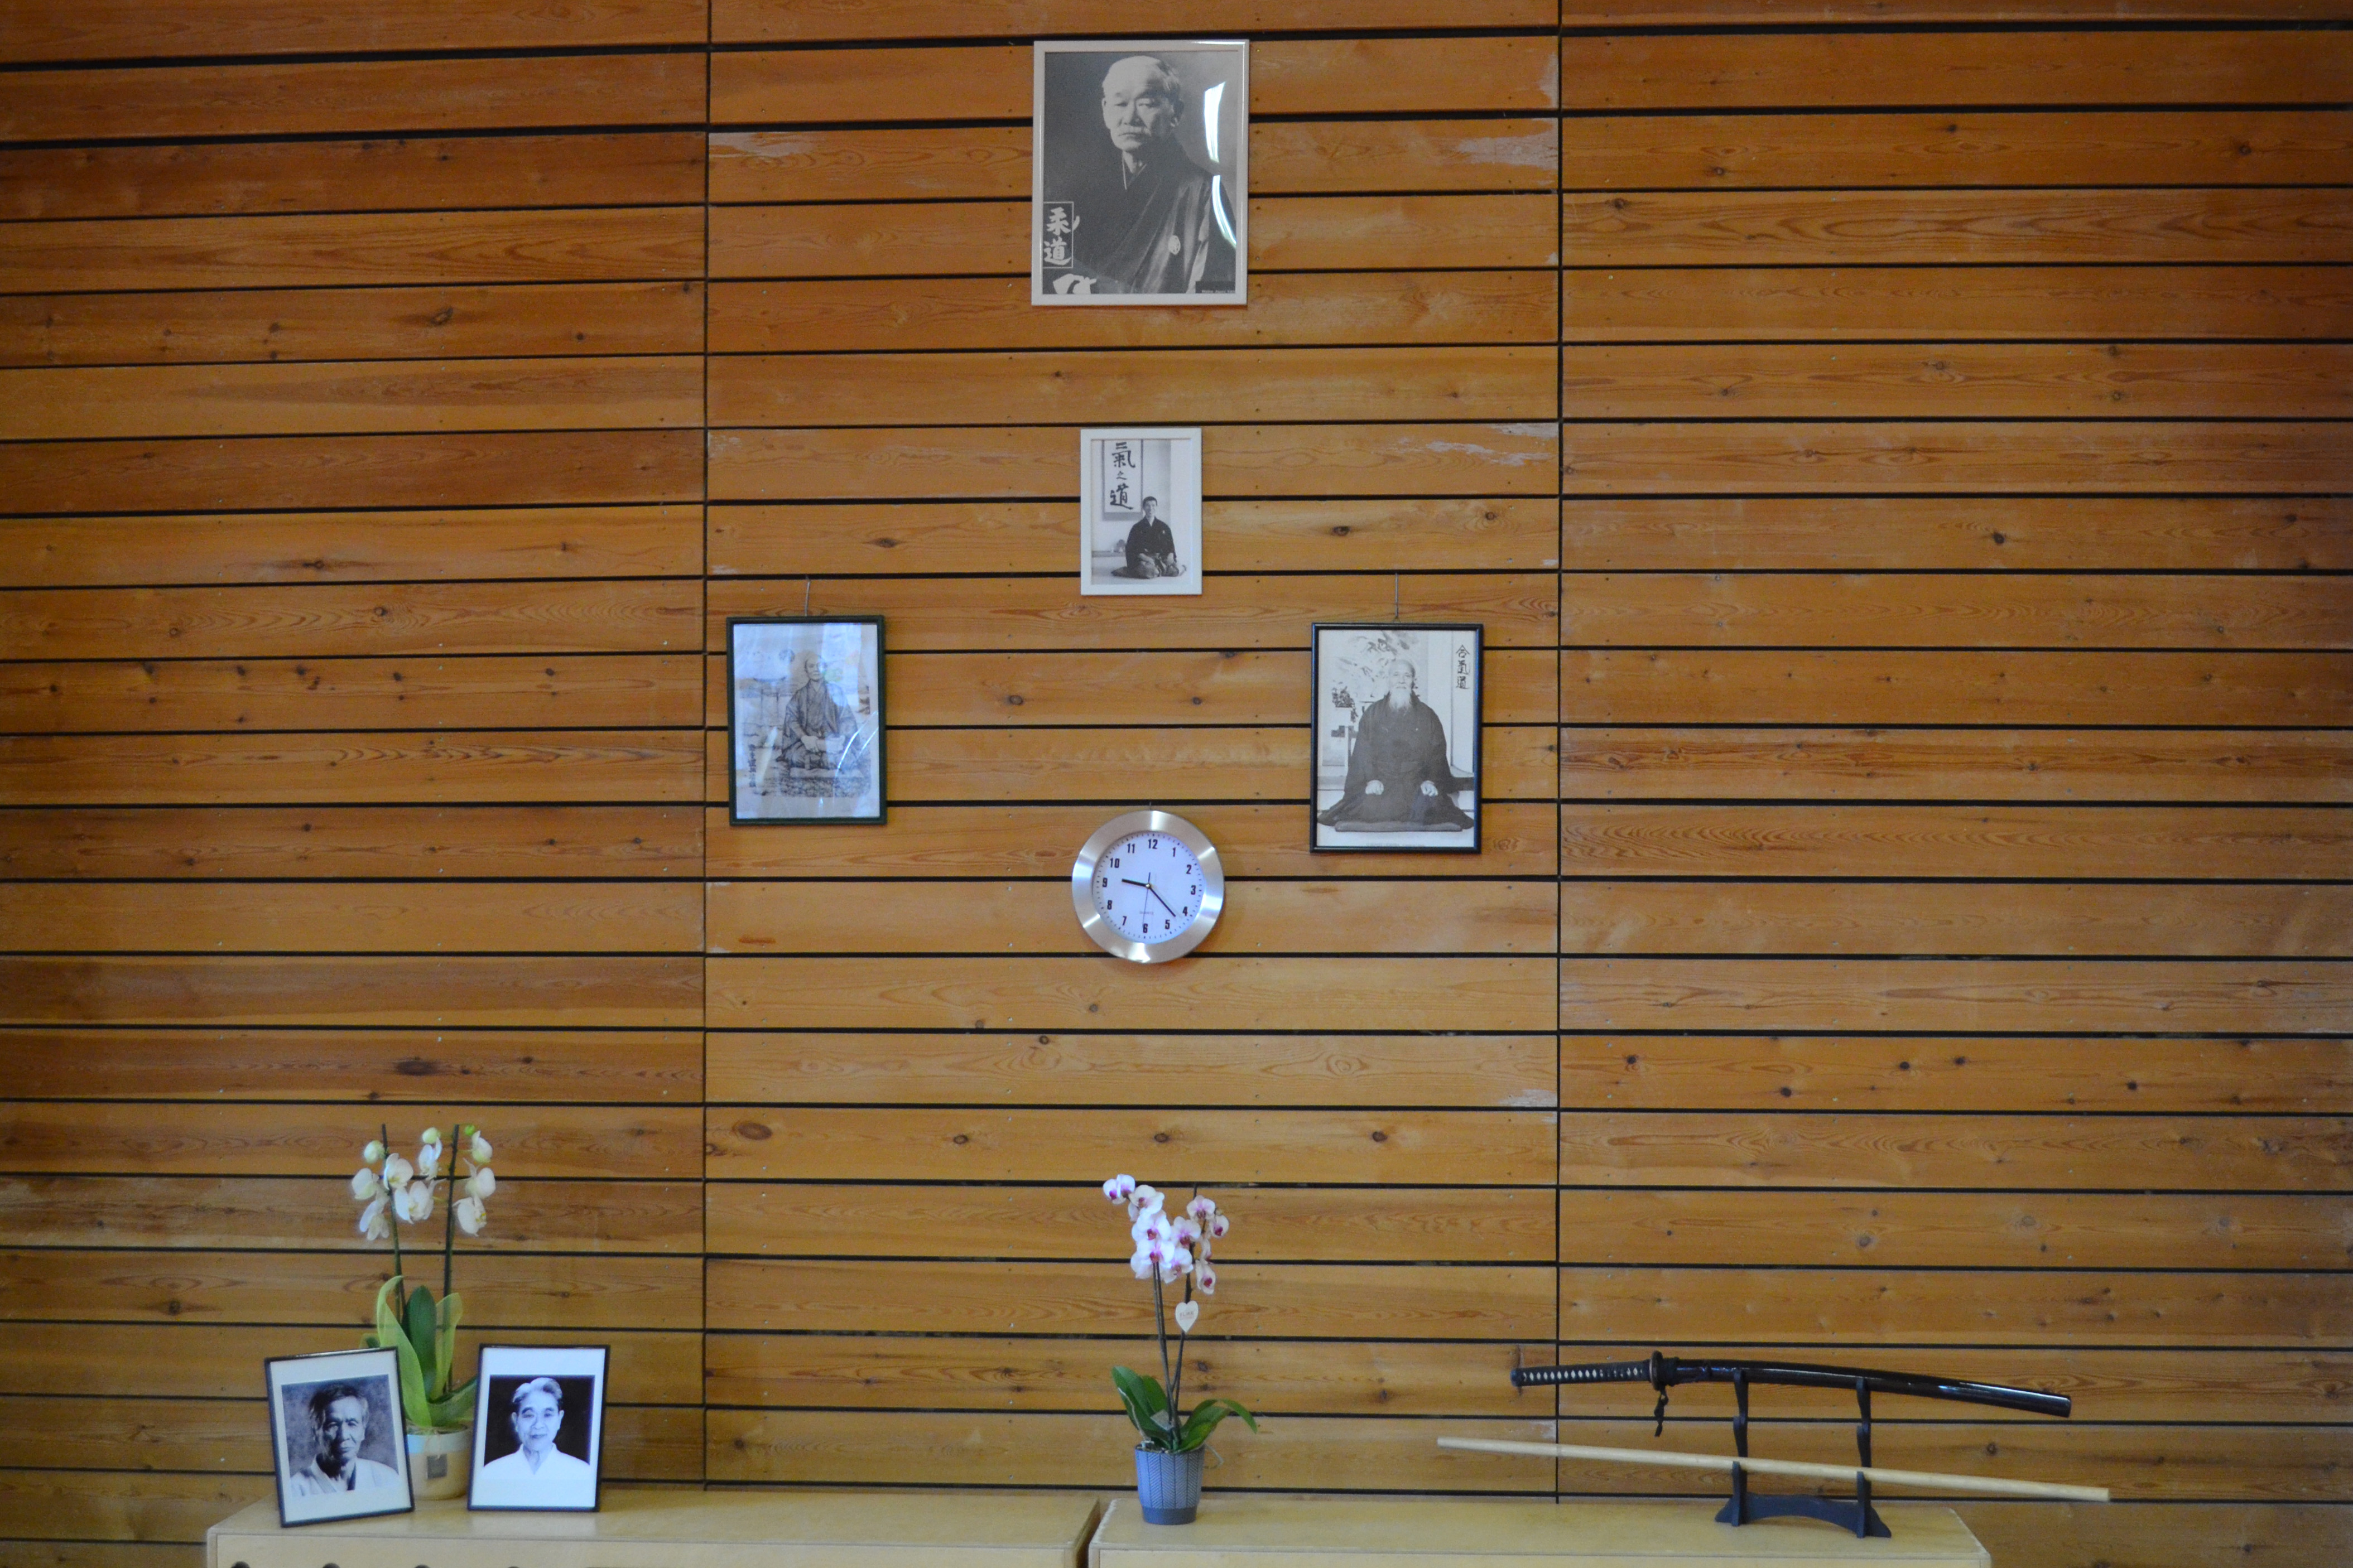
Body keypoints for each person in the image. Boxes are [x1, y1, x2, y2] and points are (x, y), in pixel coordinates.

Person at [1050, 55, 1236, 296]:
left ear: (1176, 113)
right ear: (1105, 110)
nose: (1130, 119)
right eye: (1120, 104)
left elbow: (1211, 292)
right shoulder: (1082, 187)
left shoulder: (1204, 192)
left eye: (1146, 104)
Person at [1317, 656, 1473, 831]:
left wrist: (1431, 781)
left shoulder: (1427, 715)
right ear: (1389, 680)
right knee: (1364, 803)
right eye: (1396, 675)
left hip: (1416, 783)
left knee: (1432, 804)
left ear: (1413, 681)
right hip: (1382, 783)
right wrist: (1371, 780)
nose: (1401, 680)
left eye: (1407, 676)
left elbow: (1437, 753)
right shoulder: (1373, 713)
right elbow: (1363, 751)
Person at [471, 1378, 595, 1506]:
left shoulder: (582, 1472)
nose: (538, 1425)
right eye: (529, 1415)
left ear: (559, 1419)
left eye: (547, 1415)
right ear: (516, 1421)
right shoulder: (491, 1473)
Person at [287, 1383, 401, 1495]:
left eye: (352, 1424)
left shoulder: (387, 1480)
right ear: (316, 1433)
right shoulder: (295, 1490)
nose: (343, 1436)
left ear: (363, 1430)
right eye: (333, 1425)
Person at [1113, 495, 1181, 579]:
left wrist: (1171, 554)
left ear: (1157, 507)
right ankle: (1161, 570)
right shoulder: (1137, 527)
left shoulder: (1164, 526)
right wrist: (1145, 557)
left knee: (1176, 571)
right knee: (1149, 571)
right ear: (1144, 508)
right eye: (1148, 505)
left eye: (1153, 505)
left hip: (1161, 558)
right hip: (1144, 559)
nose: (1151, 508)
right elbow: (1131, 548)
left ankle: (1159, 569)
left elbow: (1170, 544)